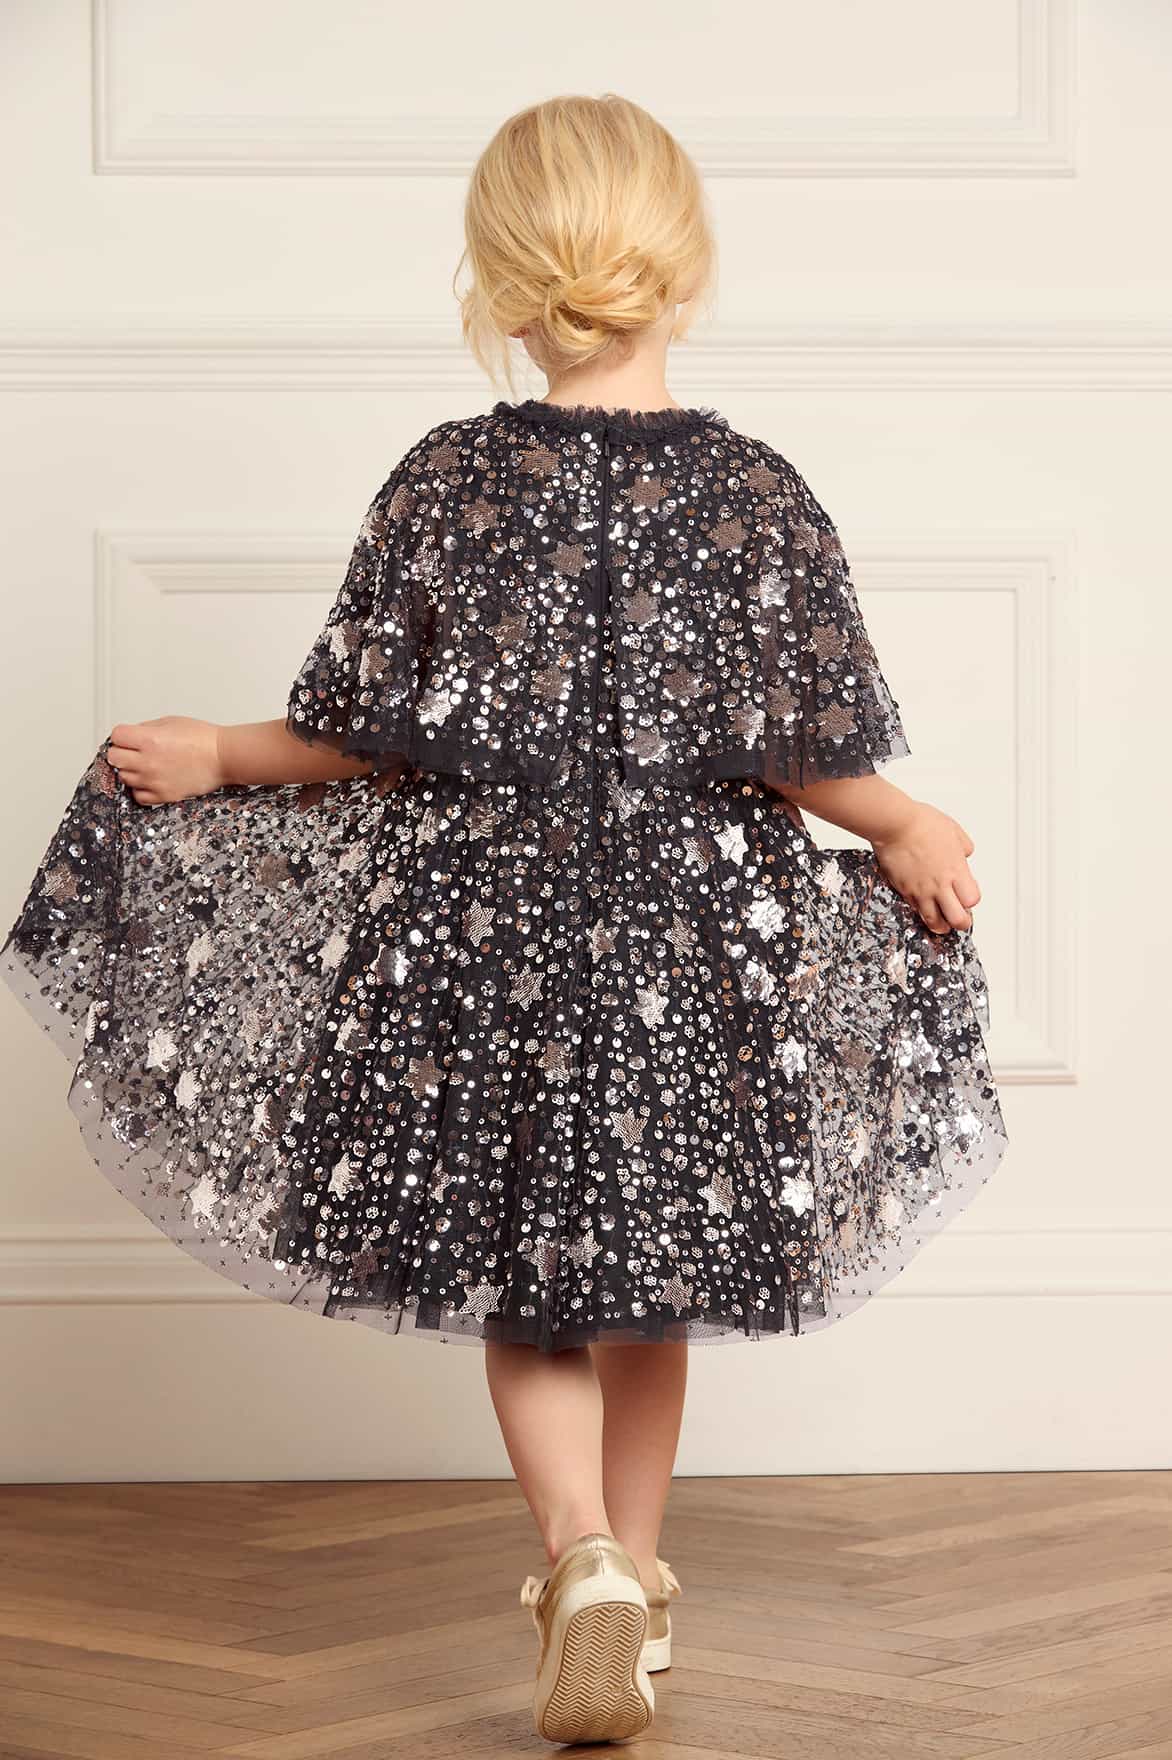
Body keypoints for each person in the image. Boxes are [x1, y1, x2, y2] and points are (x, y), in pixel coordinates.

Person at [1, 93, 1008, 1745]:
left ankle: (580, 1556)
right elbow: (801, 750)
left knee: (528, 1293)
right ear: (684, 269)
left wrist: (220, 756)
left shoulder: (453, 480)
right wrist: (907, 824)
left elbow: (367, 736)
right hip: (693, 960)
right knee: (655, 1284)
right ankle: (640, 1587)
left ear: (500, 280)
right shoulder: (755, 494)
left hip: (485, 951)